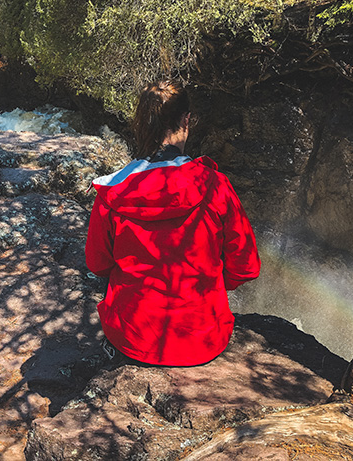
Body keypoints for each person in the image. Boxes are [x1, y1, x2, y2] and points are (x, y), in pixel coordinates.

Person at [85, 80, 260, 367]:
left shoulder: (113, 191)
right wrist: (212, 287)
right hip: (204, 339)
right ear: (186, 120)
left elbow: (98, 264)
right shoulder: (216, 186)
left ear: (140, 123)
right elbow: (247, 266)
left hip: (132, 337)